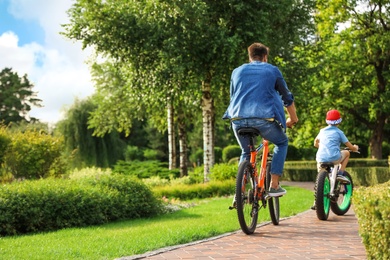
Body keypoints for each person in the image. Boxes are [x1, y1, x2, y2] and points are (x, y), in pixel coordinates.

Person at [223, 42, 298, 197]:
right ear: (265, 57)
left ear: (249, 57)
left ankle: (240, 193)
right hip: (263, 119)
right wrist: (293, 118)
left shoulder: (236, 71)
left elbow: (233, 96)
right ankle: (274, 185)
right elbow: (286, 97)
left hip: (237, 118)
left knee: (246, 151)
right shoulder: (272, 70)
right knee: (282, 142)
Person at [314, 109, 359, 184]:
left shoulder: (322, 131)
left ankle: (321, 184)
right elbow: (349, 145)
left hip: (321, 158)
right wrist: (355, 148)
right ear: (339, 121)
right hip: (334, 157)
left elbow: (315, 143)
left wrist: (323, 147)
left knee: (321, 176)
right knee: (347, 153)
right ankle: (340, 173)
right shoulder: (339, 132)